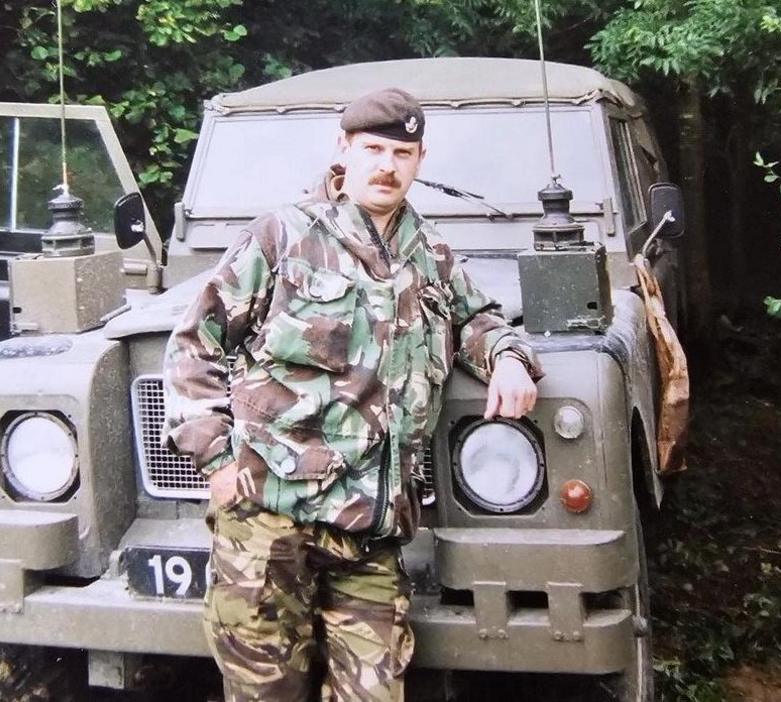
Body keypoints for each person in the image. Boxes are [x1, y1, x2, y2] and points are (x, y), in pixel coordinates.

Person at [163, 87, 544, 701]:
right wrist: (213, 456)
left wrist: (508, 358)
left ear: (420, 160)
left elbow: (478, 319)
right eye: (373, 149)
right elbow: (194, 343)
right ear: (344, 149)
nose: (387, 165)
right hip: (270, 523)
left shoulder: (430, 253)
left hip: (369, 531)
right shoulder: (283, 236)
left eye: (403, 152)